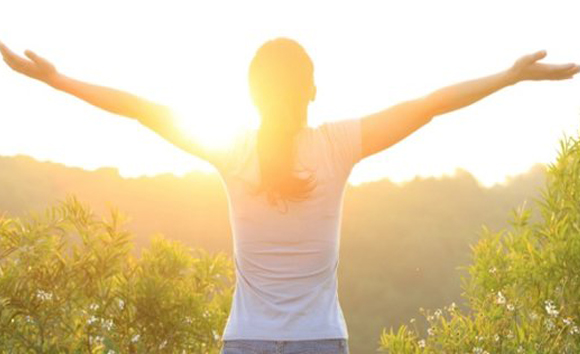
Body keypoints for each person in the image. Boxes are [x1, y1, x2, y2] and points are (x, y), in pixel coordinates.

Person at [1, 37, 578, 354]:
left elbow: (141, 110)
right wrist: (510, 76)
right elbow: (428, 104)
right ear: (313, 90)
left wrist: (56, 79)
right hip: (321, 341)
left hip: (245, 341)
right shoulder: (337, 144)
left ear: (252, 97)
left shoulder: (234, 149)